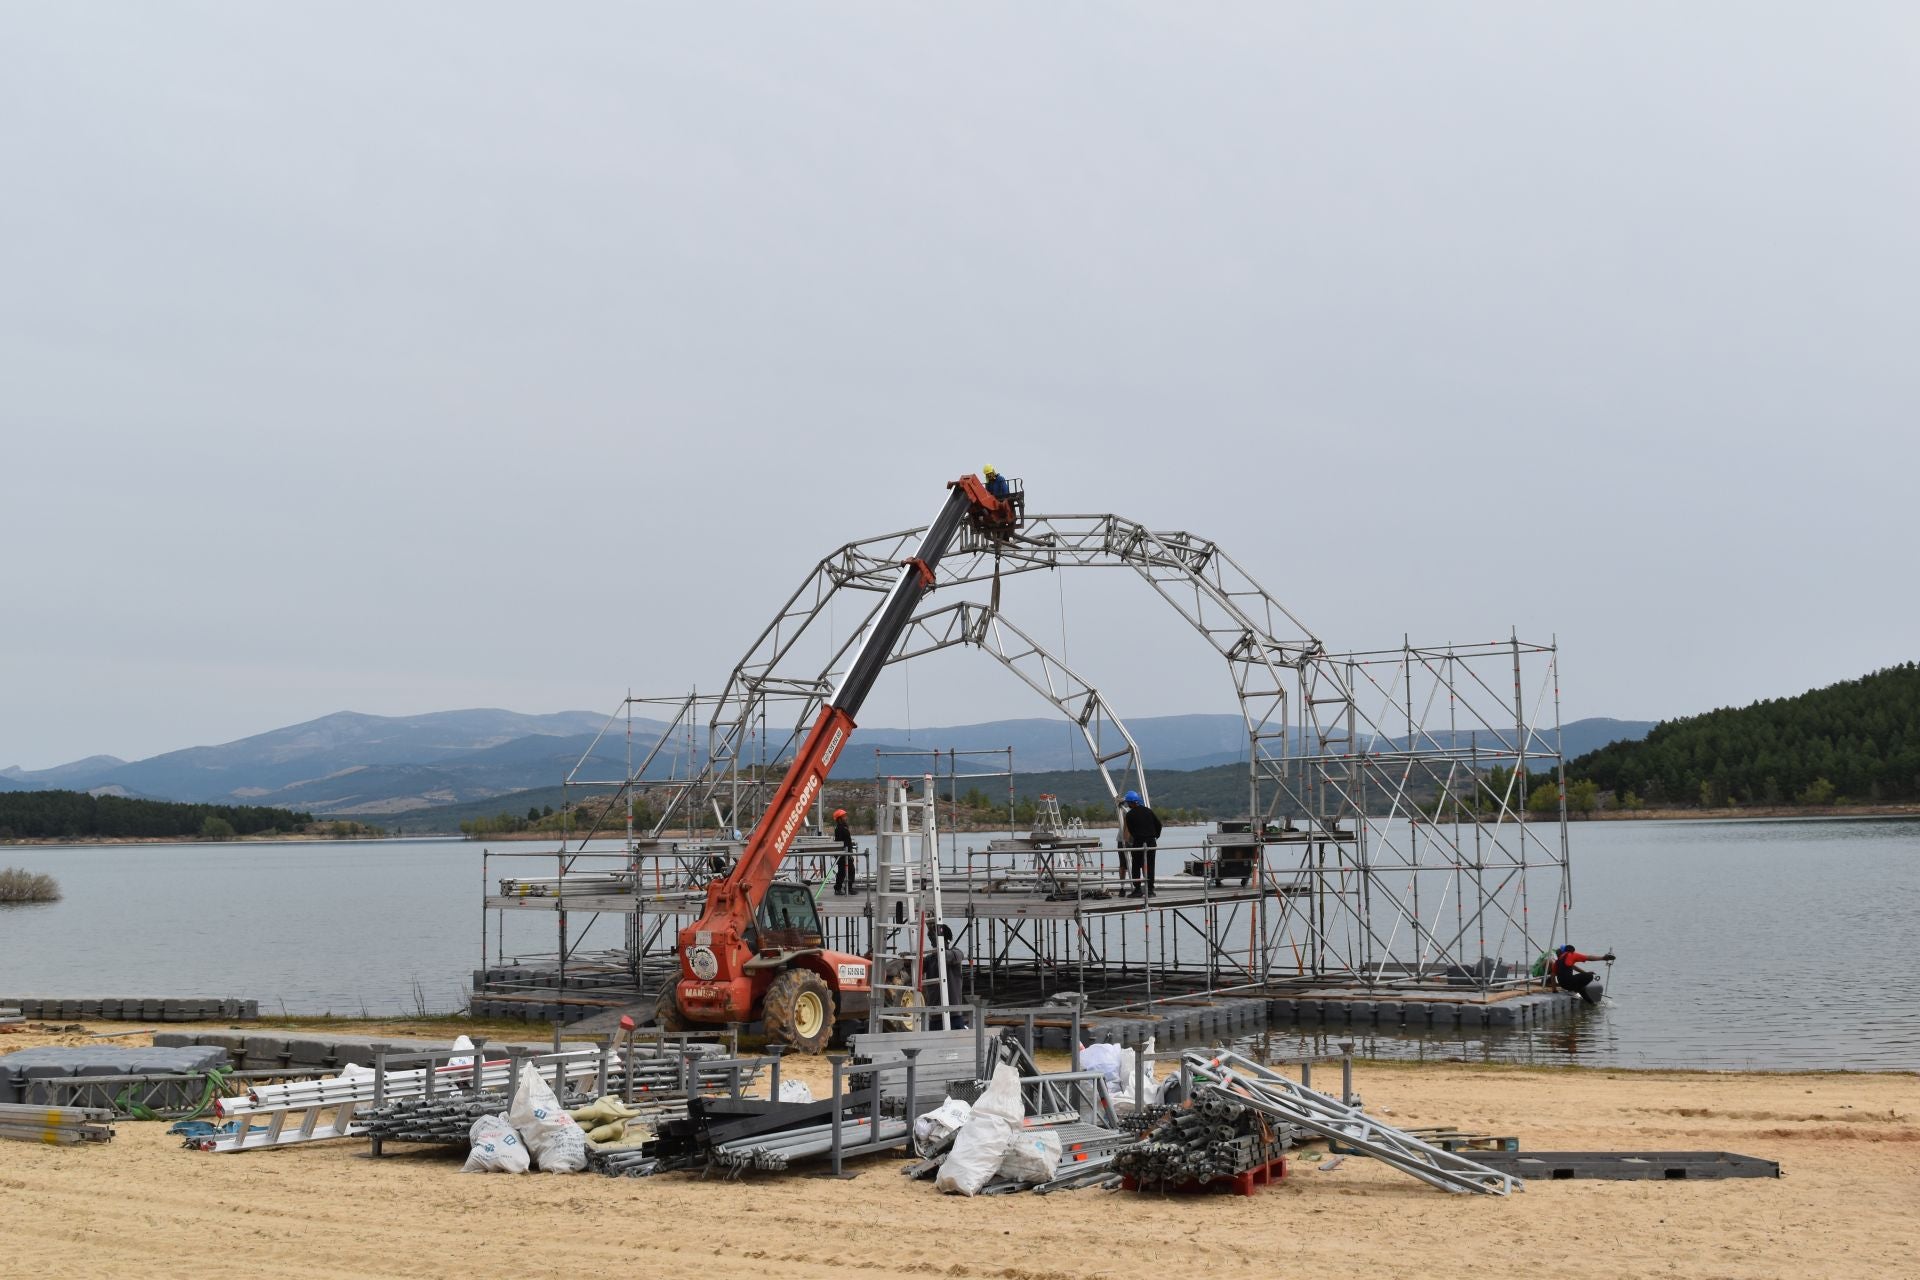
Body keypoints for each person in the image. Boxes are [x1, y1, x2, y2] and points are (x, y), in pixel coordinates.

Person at [1118, 790, 1162, 898]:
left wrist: (1139, 837)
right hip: (1151, 842)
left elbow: (1132, 831)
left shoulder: (1129, 815)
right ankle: (1150, 890)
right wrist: (1155, 836)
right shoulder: (1148, 811)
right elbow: (1159, 825)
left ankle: (1137, 889)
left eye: (1128, 802)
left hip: (1138, 842)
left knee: (1136, 865)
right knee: (1150, 866)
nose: (1127, 804)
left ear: (1131, 803)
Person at [831, 808, 856, 894]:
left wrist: (850, 850)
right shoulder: (839, 828)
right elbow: (841, 841)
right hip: (842, 853)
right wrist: (844, 852)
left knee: (849, 870)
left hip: (846, 852)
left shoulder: (844, 827)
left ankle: (846, 888)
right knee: (844, 871)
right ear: (840, 818)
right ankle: (840, 888)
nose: (846, 817)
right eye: (844, 816)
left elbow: (847, 840)